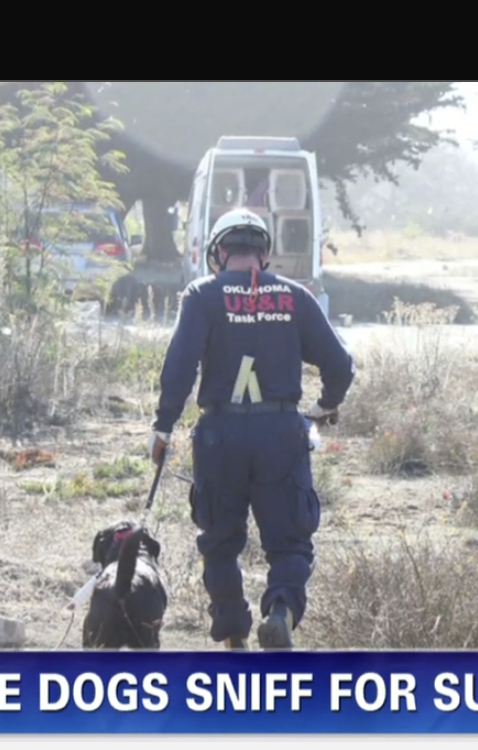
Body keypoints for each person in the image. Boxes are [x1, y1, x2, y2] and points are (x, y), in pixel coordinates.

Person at [148, 208, 354, 650]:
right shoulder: (297, 297)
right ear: (264, 253)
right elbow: (340, 365)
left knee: (220, 543)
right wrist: (323, 407)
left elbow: (179, 367)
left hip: (220, 435)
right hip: (282, 432)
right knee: (291, 542)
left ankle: (234, 637)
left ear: (219, 252)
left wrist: (163, 428)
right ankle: (280, 609)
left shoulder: (201, 294)